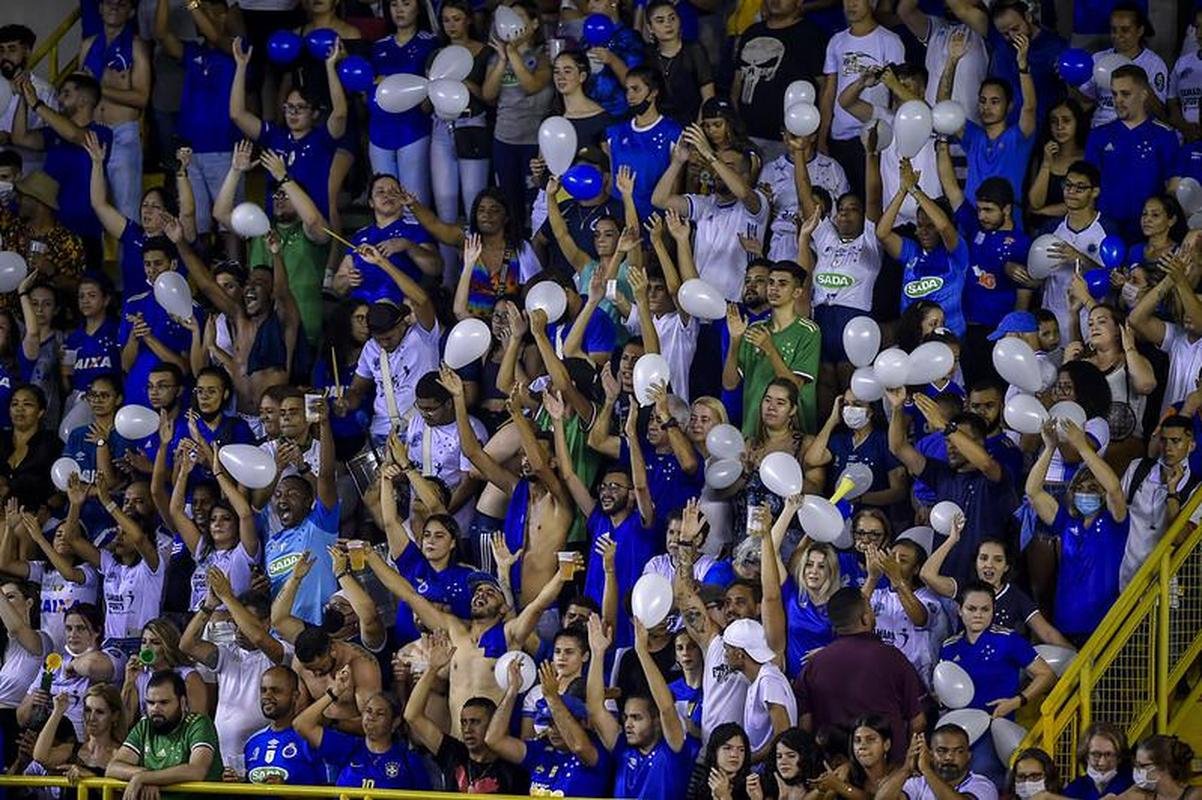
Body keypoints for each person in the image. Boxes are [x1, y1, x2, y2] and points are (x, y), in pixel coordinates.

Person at [795, 587, 926, 763]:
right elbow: (918, 721)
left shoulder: (813, 665)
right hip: (888, 769)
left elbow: (805, 726)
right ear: (865, 618)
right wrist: (907, 765)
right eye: (870, 608)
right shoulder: (893, 658)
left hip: (833, 769)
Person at [1026, 419, 1129, 642]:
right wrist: (1050, 447)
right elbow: (1033, 491)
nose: (1085, 492)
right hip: (1065, 623)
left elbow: (1114, 488)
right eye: (1079, 488)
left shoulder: (1115, 521)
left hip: (1104, 625)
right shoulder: (1066, 521)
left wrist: (1082, 447)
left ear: (1102, 493)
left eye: (1092, 488)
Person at [404, 632, 529, 794]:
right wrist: (432, 669)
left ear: (492, 724)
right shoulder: (453, 752)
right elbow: (412, 715)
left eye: (475, 722)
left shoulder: (512, 769)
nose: (467, 729)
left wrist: (512, 690)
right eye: (464, 722)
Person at [586, 616, 692, 798]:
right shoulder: (622, 749)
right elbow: (595, 709)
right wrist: (597, 654)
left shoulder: (673, 750)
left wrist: (642, 652)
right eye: (626, 717)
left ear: (656, 721)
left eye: (637, 718)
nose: (628, 724)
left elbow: (666, 707)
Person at [485, 654, 613, 797]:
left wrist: (552, 697)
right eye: (549, 723)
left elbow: (579, 746)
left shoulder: (596, 751)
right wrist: (512, 690)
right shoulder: (540, 750)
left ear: (583, 723)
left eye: (559, 723)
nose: (553, 730)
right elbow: (494, 740)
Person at [293, 664, 429, 790]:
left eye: (380, 713)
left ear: (395, 722)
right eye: (368, 711)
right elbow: (301, 724)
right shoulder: (348, 746)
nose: (371, 717)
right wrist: (335, 692)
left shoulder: (408, 760)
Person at [1085, 65, 1180, 239]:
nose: (1118, 100)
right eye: (1114, 94)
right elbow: (1087, 185)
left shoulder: (1164, 135)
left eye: (1125, 94)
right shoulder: (1098, 135)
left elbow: (1172, 188)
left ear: (1143, 95)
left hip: (1148, 233)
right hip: (1105, 230)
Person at [105, 670, 225, 795]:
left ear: (182, 702)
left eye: (164, 703)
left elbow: (196, 770)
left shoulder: (199, 724)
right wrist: (146, 775)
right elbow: (112, 767)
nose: (155, 709)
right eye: (150, 703)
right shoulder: (144, 726)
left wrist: (146, 778)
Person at [242, 665, 325, 785]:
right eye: (263, 690)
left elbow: (329, 789)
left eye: (275, 691)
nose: (267, 696)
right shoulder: (253, 742)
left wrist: (286, 790)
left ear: (295, 696)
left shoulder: (312, 739)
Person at [876, 726, 999, 800]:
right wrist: (906, 769)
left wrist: (927, 770)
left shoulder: (983, 785)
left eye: (958, 751)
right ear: (930, 755)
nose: (949, 757)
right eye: (942, 751)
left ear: (968, 756)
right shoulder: (918, 784)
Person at [1062, 722, 1133, 800]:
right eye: (1095, 754)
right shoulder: (1073, 789)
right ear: (1085, 755)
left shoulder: (1132, 786)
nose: (1102, 763)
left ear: (1119, 757)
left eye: (1108, 754)